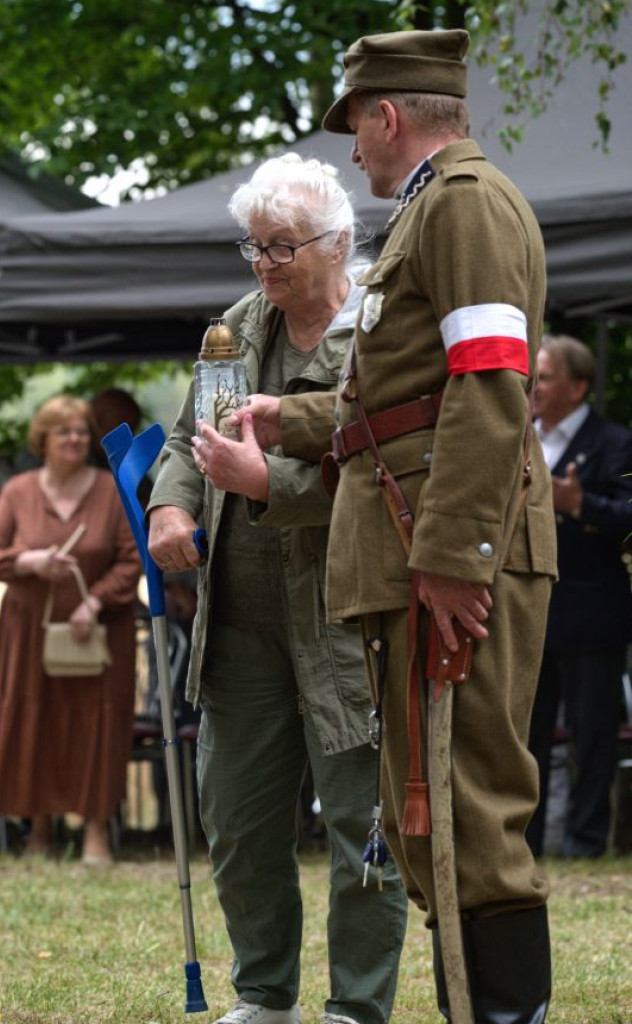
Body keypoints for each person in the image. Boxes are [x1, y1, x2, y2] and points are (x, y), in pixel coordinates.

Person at [221, 30, 559, 1024]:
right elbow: (401, 399)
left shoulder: (464, 205)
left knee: (465, 808)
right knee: (429, 811)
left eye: (356, 128)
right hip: (418, 547)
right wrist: (293, 419)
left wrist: (457, 557)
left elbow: (490, 383)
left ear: (388, 114)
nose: (353, 150)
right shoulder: (432, 210)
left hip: (449, 552)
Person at [147, 153, 407, 1024]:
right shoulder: (235, 326)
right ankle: (264, 996)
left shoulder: (378, 330)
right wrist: (170, 508)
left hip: (346, 617)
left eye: (282, 246)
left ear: (337, 243)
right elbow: (187, 440)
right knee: (237, 818)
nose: (264, 263)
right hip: (240, 623)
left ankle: (357, 1007)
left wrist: (269, 486)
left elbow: (388, 468)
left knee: (363, 823)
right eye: (253, 246)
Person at [0, 395, 141, 864]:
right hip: (28, 633)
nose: (75, 439)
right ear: (42, 439)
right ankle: (38, 830)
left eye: (81, 430)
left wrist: (94, 601)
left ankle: (96, 831)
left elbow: (132, 558)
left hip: (97, 631)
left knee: (96, 724)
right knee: (34, 722)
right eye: (64, 431)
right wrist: (31, 561)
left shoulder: (110, 490)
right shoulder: (18, 491)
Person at [527, 333, 632, 859]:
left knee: (592, 735)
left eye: (545, 378)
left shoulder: (615, 442)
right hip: (528, 614)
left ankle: (585, 842)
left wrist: (579, 504)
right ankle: (523, 843)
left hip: (592, 615)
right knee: (526, 737)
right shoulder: (518, 436)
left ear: (578, 386)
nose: (534, 387)